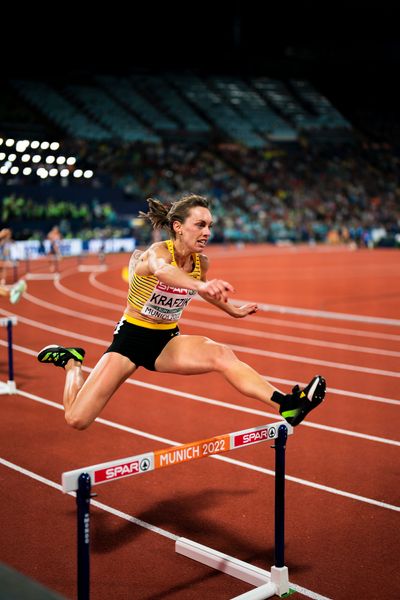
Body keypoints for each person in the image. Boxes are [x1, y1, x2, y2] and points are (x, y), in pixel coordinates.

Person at [37, 195, 326, 430]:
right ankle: (72, 364)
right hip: (130, 340)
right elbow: (165, 273)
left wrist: (233, 311)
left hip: (166, 340)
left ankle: (287, 404)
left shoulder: (203, 263)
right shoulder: (156, 254)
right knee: (76, 419)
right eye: (200, 225)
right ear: (177, 226)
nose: (207, 232)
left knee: (221, 354)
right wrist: (200, 287)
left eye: (210, 225)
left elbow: (206, 290)